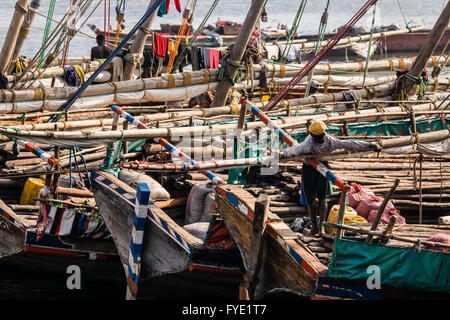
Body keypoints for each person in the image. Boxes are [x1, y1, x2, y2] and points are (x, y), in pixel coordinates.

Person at [280, 120, 382, 235]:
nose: (319, 139)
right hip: (309, 169)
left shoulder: (331, 142)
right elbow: (295, 150)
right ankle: (314, 227)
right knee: (311, 201)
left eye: (320, 136)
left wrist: (370, 145)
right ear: (312, 136)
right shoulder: (309, 143)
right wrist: (283, 153)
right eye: (316, 137)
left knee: (323, 198)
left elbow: (349, 144)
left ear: (324, 133)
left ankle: (321, 227)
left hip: (323, 167)